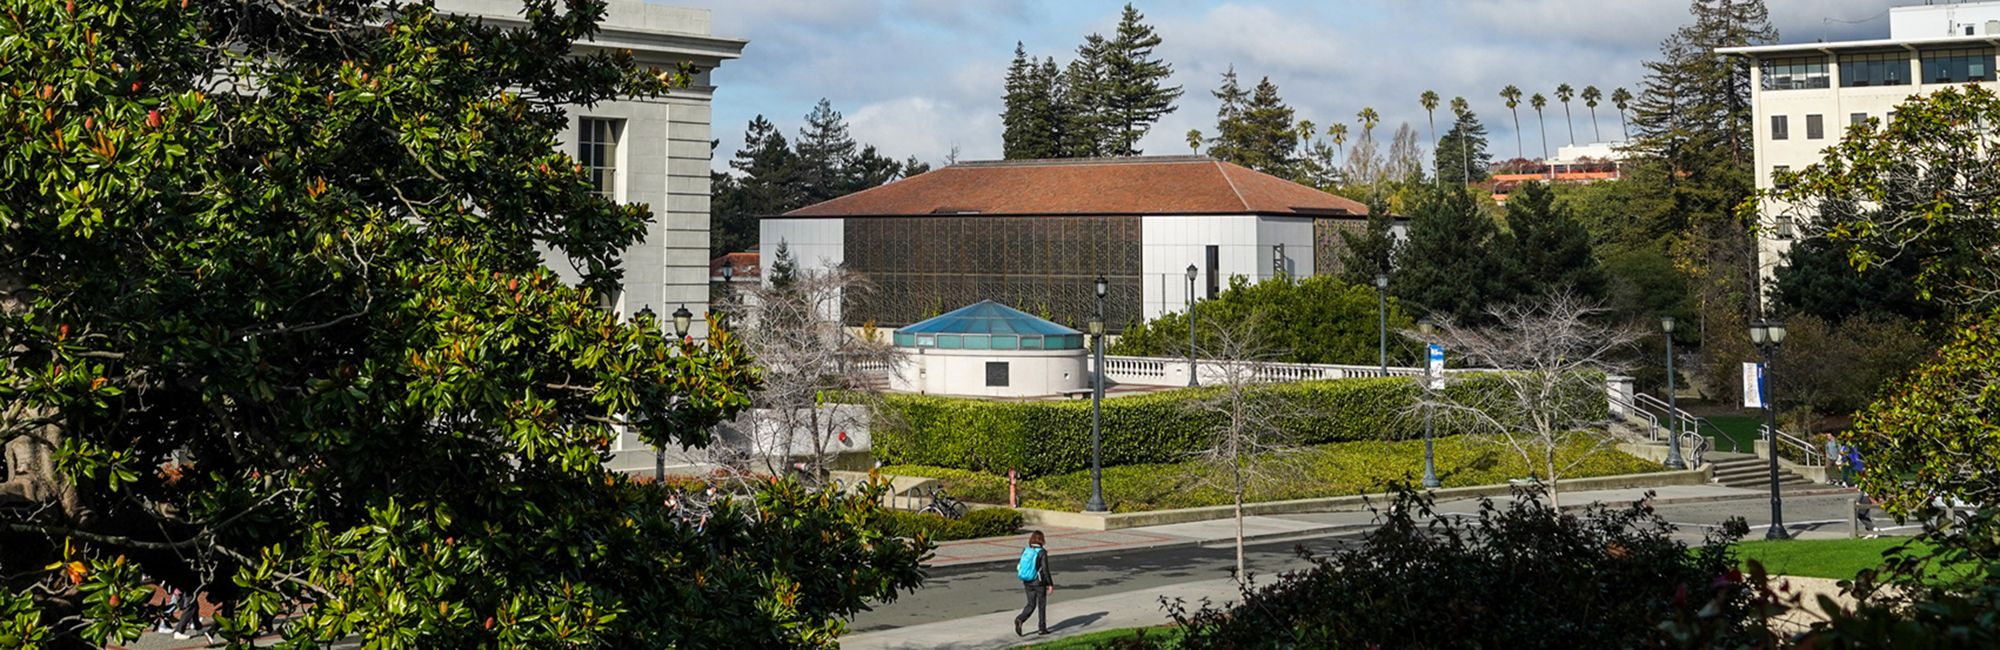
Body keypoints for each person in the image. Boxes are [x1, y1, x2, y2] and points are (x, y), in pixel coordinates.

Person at [1014, 530, 1053, 637]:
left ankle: (1020, 619)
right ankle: (1042, 628)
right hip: (1039, 583)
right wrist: (1050, 584)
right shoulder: (1042, 552)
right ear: (1042, 540)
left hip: (1027, 581)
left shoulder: (1026, 550)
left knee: (1031, 604)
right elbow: (1045, 570)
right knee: (1041, 605)